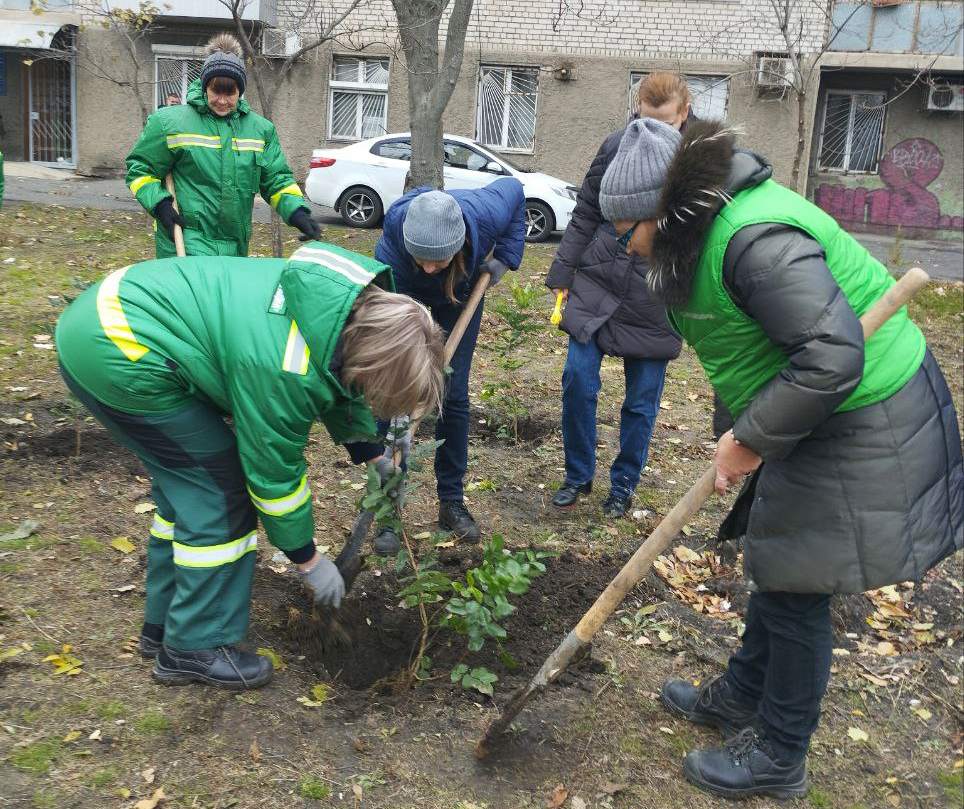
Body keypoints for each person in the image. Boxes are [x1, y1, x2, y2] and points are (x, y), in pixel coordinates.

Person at [599, 117, 963, 799]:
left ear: (661, 211)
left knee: (798, 582)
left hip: (864, 411)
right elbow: (744, 347)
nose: (624, 247)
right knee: (776, 556)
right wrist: (741, 430)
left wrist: (752, 437)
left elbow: (831, 357)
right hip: (808, 405)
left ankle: (779, 753)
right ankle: (744, 694)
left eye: (627, 230)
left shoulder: (753, 239)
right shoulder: (697, 239)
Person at [55, 243, 445, 690]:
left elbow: (338, 379)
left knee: (186, 495)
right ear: (370, 361)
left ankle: (162, 627)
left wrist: (371, 454)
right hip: (119, 350)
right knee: (221, 495)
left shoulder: (338, 306)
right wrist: (308, 561)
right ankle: (191, 648)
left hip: (112, 316)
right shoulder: (282, 366)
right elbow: (273, 479)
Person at [545, 72, 692, 518]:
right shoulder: (615, 145)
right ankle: (577, 474)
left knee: (642, 400)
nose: (650, 129)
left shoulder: (697, 160)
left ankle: (623, 484)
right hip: (601, 275)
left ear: (684, 114)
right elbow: (588, 208)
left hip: (655, 289)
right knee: (577, 380)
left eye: (663, 122)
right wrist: (564, 270)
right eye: (644, 118)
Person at [352, 179, 526, 555]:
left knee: (452, 391)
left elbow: (515, 190)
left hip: (461, 290)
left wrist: (505, 258)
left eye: (439, 259)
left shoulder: (483, 212)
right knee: (394, 390)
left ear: (458, 245)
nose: (430, 268)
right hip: (403, 292)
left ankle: (451, 501)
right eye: (423, 258)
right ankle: (387, 512)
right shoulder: (394, 247)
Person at [126, 33, 319, 259]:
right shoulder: (169, 123)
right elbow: (140, 169)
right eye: (216, 91)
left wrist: (297, 212)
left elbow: (276, 181)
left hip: (236, 245)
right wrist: (161, 205)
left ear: (240, 91)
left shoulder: (260, 130)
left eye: (231, 93)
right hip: (186, 240)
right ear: (205, 86)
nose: (223, 100)